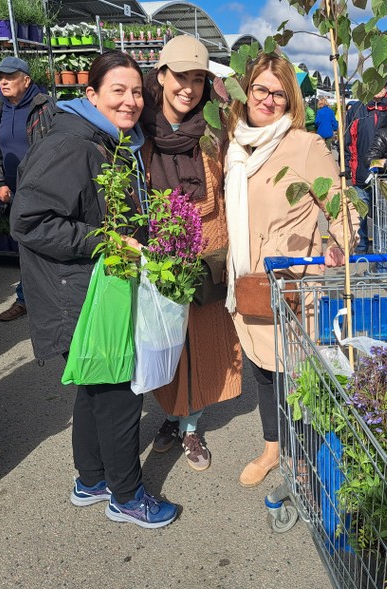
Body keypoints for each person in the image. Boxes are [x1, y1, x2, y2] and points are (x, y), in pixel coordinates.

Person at [11, 51, 178, 528]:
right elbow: (28, 221)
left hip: (91, 290)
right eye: (117, 91)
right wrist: (106, 241)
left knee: (94, 388)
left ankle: (91, 480)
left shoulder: (107, 140)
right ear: (91, 95)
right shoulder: (73, 145)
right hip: (79, 296)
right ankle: (126, 496)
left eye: (136, 92)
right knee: (120, 394)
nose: (130, 101)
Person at [225, 53, 357, 488]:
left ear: (291, 101)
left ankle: (301, 456)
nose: (268, 100)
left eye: (279, 94)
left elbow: (340, 204)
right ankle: (272, 449)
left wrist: (340, 243)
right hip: (247, 281)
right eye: (260, 89)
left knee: (294, 374)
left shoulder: (304, 145)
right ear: (247, 91)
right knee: (263, 372)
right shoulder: (235, 144)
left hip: (291, 284)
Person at [139, 35, 240, 472]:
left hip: (209, 247)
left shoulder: (214, 129)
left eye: (198, 79)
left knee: (202, 342)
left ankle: (191, 425)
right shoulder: (139, 130)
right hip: (160, 252)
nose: (189, 88)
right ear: (161, 76)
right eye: (181, 76)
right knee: (165, 341)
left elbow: (232, 186)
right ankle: (172, 413)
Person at [0, 56, 56, 322]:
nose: (3, 82)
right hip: (15, 192)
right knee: (23, 245)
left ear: (26, 80)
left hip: (45, 188)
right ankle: (25, 299)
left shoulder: (46, 106)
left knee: (48, 242)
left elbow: (56, 147)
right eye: (0, 77)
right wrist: (0, 182)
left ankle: (51, 298)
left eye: (10, 77)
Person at [345, 84, 387, 252]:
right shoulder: (357, 109)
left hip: (385, 176)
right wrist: (346, 167)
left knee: (383, 218)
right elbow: (347, 141)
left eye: (382, 83)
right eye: (375, 83)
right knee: (359, 216)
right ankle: (361, 252)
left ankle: (382, 256)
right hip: (361, 173)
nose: (379, 87)